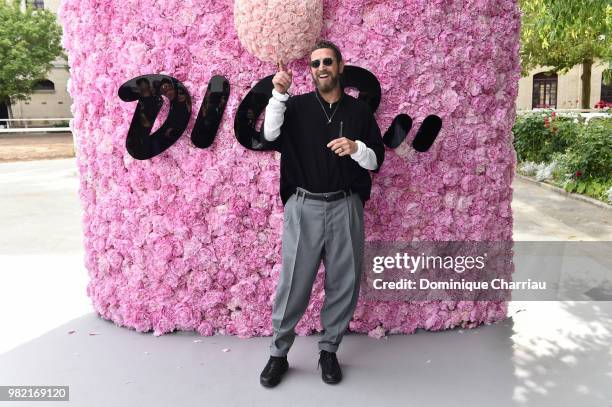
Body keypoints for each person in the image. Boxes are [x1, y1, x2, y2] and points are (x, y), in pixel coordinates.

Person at [259, 40, 385, 387]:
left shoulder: (359, 112)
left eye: (328, 61)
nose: (321, 68)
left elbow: (376, 161)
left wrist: (357, 148)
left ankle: (329, 351)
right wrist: (278, 93)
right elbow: (269, 133)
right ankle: (278, 353)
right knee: (293, 284)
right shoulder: (296, 106)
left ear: (340, 66)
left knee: (344, 282)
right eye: (315, 64)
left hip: (346, 206)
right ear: (311, 71)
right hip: (305, 206)